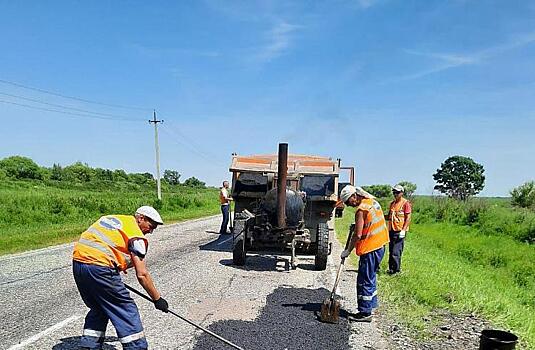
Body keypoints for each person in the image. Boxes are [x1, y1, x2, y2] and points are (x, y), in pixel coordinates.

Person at [72, 206, 168, 350]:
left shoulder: (116, 220)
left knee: (99, 307)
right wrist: (157, 299)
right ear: (141, 218)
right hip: (100, 267)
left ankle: (89, 346)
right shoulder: (136, 236)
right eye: (151, 225)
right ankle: (136, 348)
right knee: (126, 310)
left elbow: (106, 244)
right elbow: (142, 274)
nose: (151, 230)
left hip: (79, 263)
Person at [340, 185, 389, 322]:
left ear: (354, 196)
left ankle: (365, 312)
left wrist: (347, 251)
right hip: (380, 245)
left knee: (364, 280)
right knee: (371, 277)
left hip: (370, 248)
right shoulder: (372, 202)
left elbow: (358, 235)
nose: (349, 205)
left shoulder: (361, 210)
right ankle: (370, 305)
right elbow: (370, 222)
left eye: (349, 202)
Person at [386, 184, 412, 274]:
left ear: (402, 193)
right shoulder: (392, 204)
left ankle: (396, 271)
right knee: (391, 251)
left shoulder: (405, 203)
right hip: (391, 230)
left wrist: (404, 230)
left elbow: (408, 218)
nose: (395, 194)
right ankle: (391, 269)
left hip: (399, 231)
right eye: (394, 192)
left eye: (397, 192)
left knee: (396, 252)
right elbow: (388, 216)